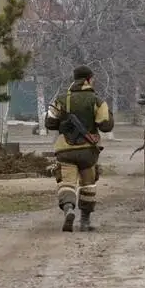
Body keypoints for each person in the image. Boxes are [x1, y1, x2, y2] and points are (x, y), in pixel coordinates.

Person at [44, 65, 114, 232]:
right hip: (88, 152)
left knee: (66, 184)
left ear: (74, 79)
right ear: (89, 79)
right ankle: (85, 220)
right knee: (88, 185)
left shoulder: (61, 99)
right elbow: (106, 125)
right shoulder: (96, 100)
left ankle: (68, 209)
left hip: (65, 150)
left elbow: (49, 123)